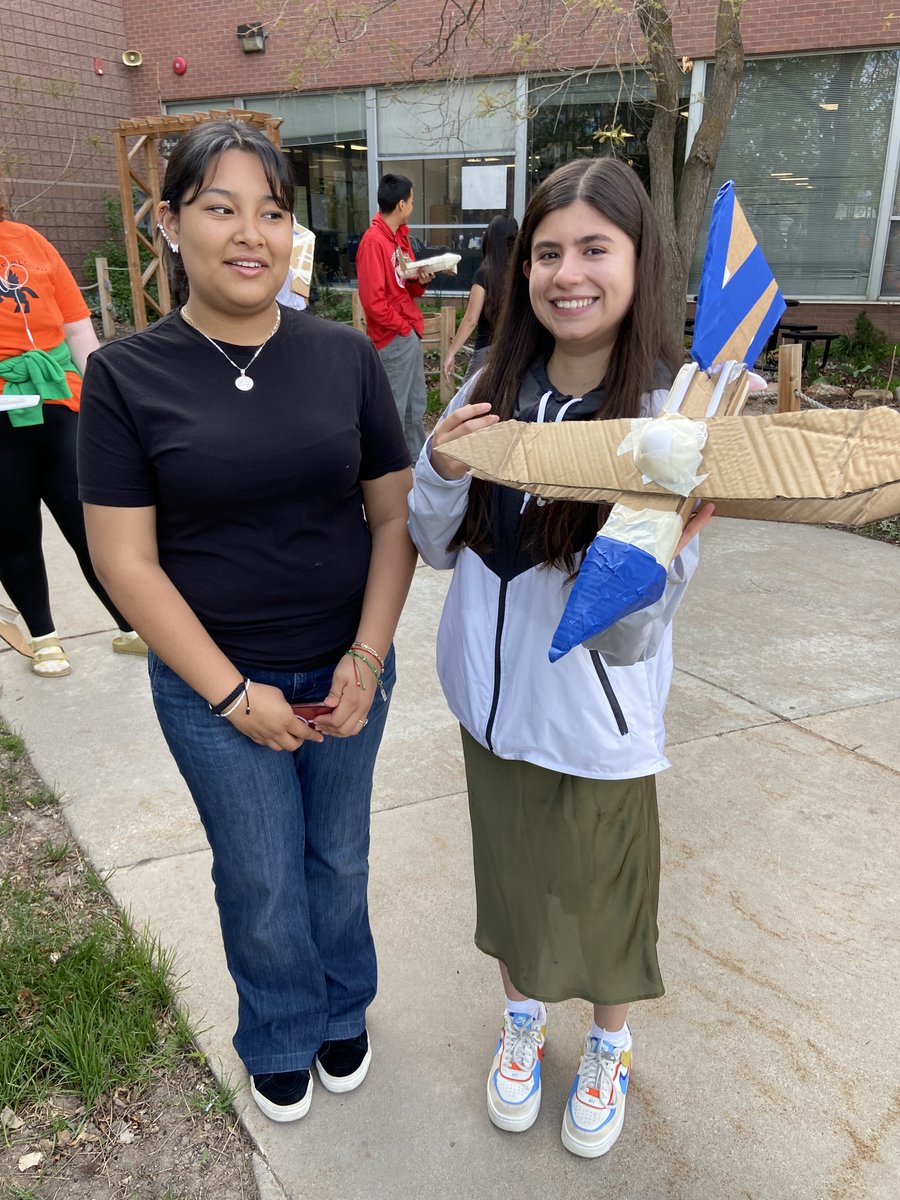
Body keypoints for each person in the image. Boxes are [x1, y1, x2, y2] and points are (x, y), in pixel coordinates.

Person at [76, 119, 417, 1123]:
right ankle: (278, 1028)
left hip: (348, 665)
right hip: (210, 686)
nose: (249, 234)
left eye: (271, 213)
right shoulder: (127, 377)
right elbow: (124, 561)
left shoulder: (343, 357)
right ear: (170, 221)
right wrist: (231, 695)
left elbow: (393, 515)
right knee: (262, 874)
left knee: (338, 859)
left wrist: (368, 655)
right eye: (220, 208)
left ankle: (342, 1006)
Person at [408, 158, 715, 1159]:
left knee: (603, 898)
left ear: (639, 261)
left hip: (595, 721)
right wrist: (442, 466)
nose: (567, 274)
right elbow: (429, 541)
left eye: (594, 249)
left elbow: (628, 639)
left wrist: (652, 551)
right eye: (547, 253)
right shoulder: (487, 389)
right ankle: (523, 1023)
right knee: (512, 884)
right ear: (522, 269)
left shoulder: (671, 419)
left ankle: (610, 1046)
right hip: (489, 709)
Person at [0, 187, 145, 676]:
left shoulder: (30, 241)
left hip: (61, 403)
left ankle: (132, 625)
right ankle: (43, 638)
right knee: (13, 532)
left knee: (92, 526)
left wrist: (111, 403)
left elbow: (78, 328)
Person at [356, 174, 435, 460]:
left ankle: (416, 461)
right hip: (394, 334)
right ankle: (392, 465)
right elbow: (373, 302)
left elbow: (407, 287)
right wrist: (401, 327)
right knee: (395, 408)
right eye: (412, 201)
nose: (412, 206)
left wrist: (421, 280)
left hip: (407, 330)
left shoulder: (398, 237)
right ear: (401, 204)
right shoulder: (373, 242)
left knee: (416, 404)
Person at [442, 214, 518, 384]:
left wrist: (451, 352)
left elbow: (471, 320)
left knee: (468, 396)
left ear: (489, 240)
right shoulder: (522, 273)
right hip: (515, 351)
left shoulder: (484, 274)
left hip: (487, 352)